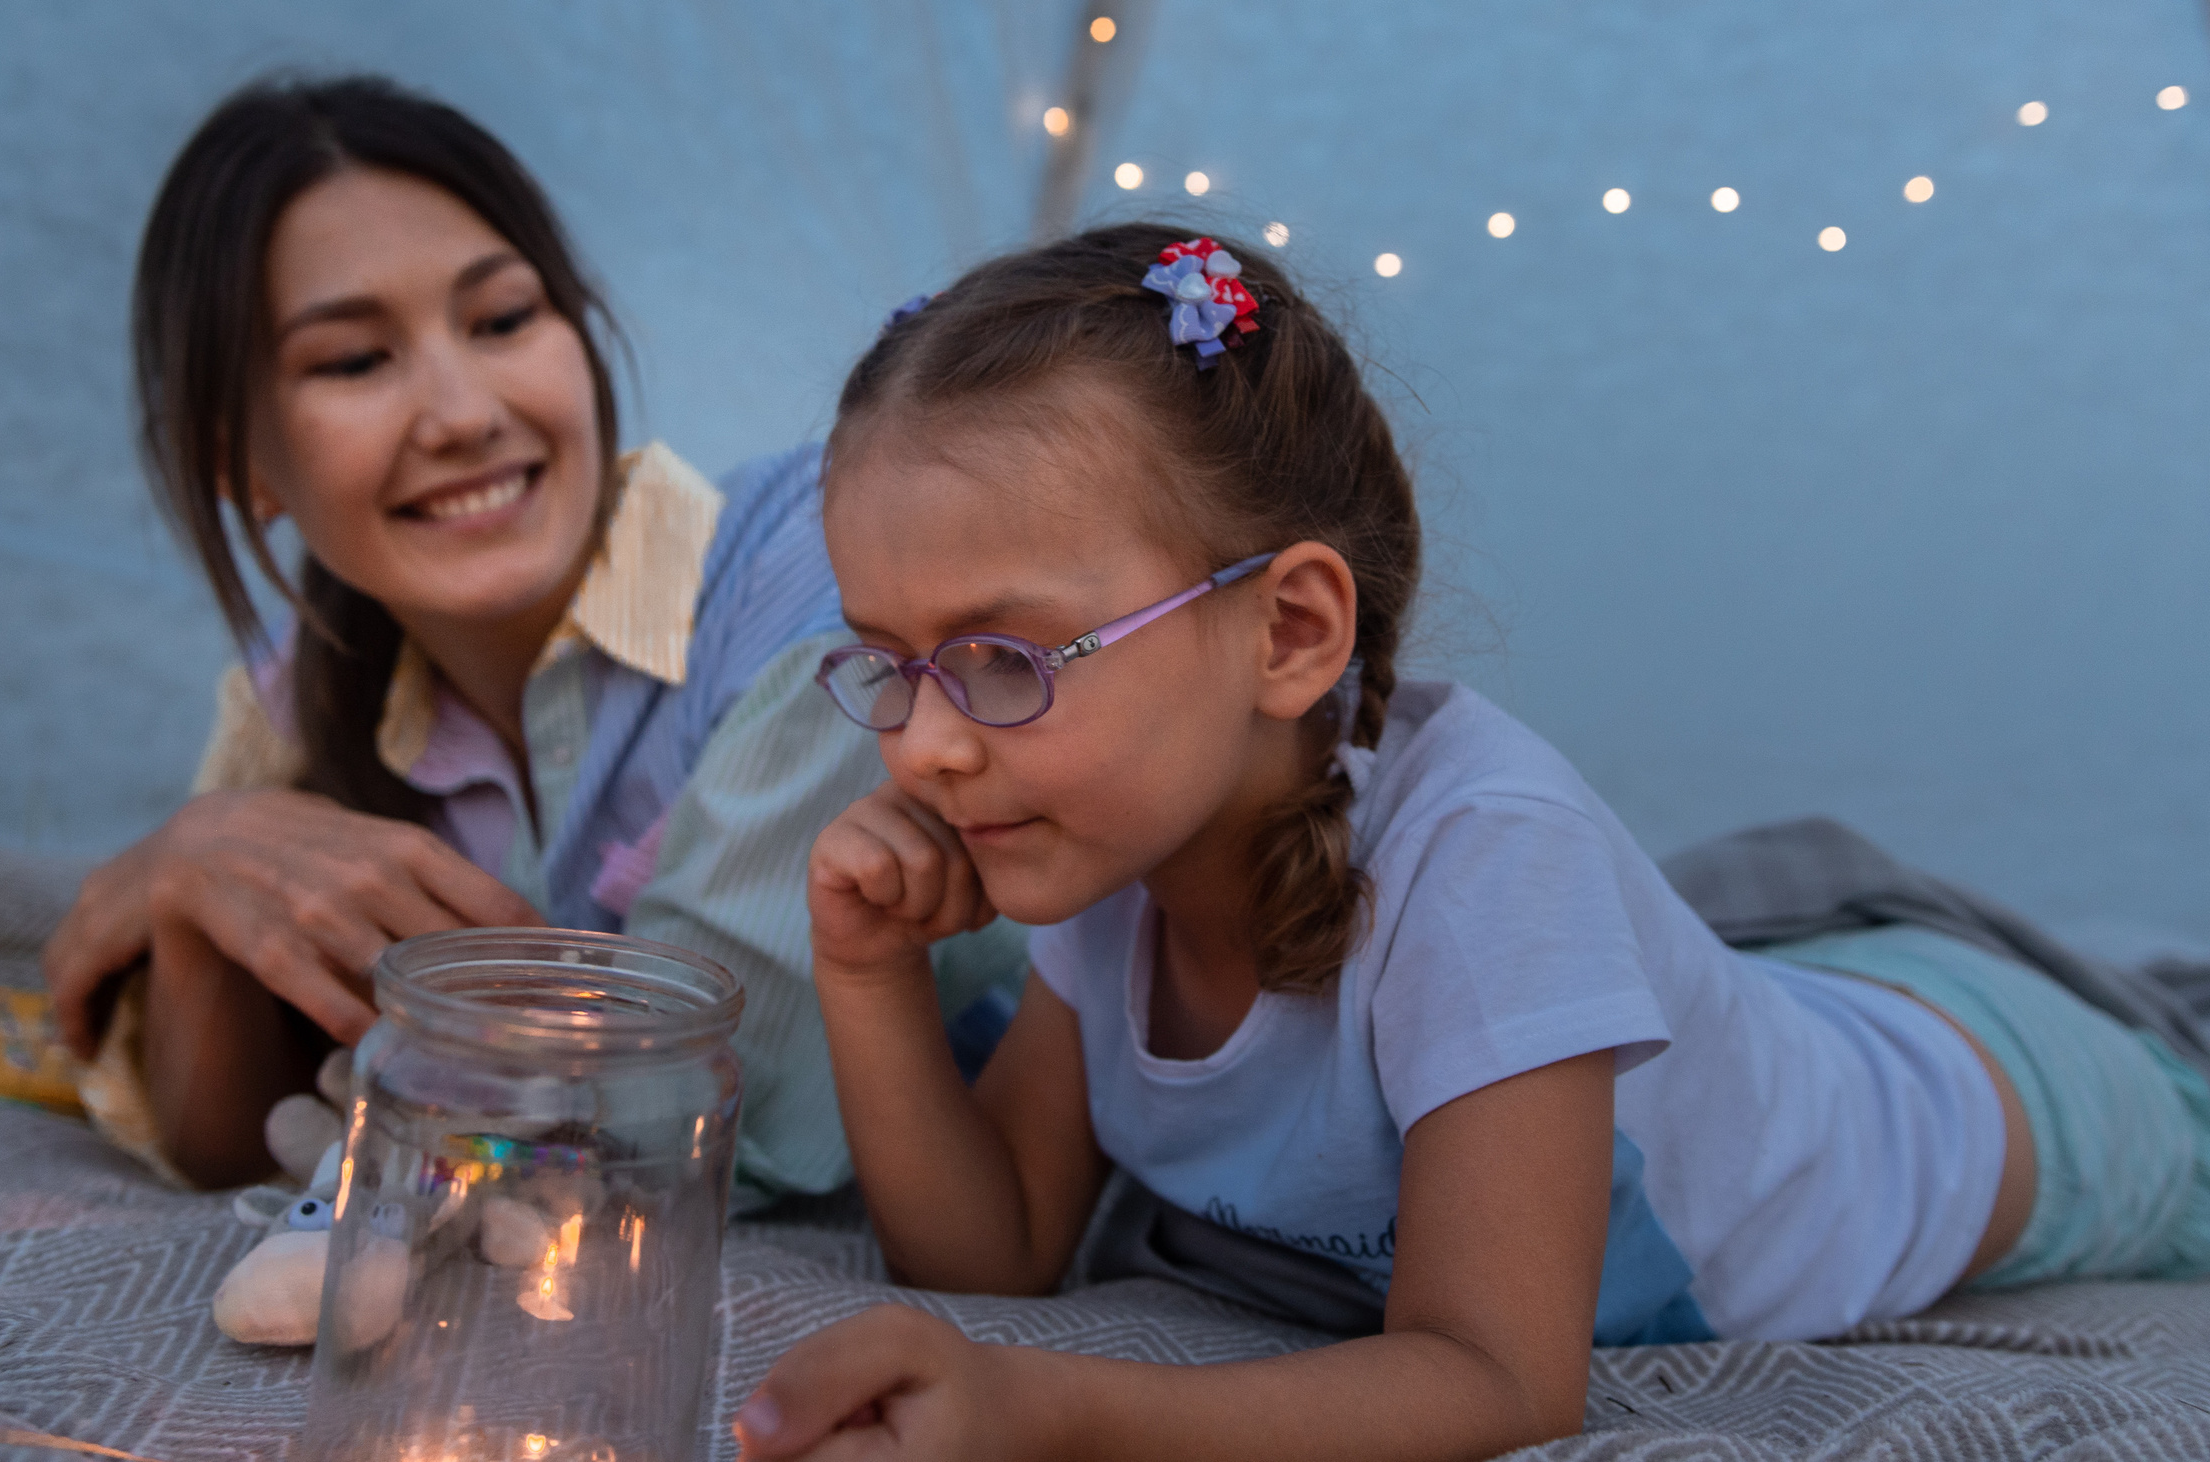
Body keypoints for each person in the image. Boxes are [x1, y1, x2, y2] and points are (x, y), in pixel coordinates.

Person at [730, 224, 2210, 1461]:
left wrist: (1057, 1406)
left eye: (1004, 654)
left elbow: (1499, 1375)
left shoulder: (1485, 860)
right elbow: (999, 1259)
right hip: (1775, 1014)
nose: (924, 741)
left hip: (1995, 1099)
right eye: (885, 661)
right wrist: (864, 975)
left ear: (1291, 631)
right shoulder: (1094, 842)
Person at [40, 74, 1020, 1196]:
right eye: (356, 360)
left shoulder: (834, 580)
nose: (463, 414)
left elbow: (669, 1125)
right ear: (241, 467)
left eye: (503, 319)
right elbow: (219, 1148)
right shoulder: (296, 704)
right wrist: (190, 870)